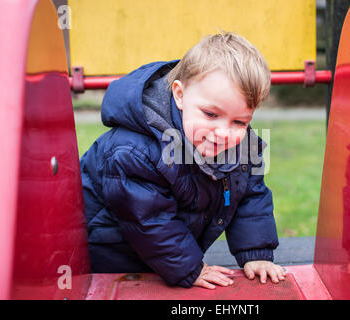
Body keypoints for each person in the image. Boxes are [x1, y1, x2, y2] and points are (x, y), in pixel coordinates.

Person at [80, 31, 285, 289]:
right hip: (108, 255)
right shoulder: (134, 151)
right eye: (211, 114)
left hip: (163, 256)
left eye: (239, 122)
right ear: (180, 95)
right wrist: (189, 268)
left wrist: (256, 253)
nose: (223, 132)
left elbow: (250, 196)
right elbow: (149, 219)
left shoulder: (240, 146)